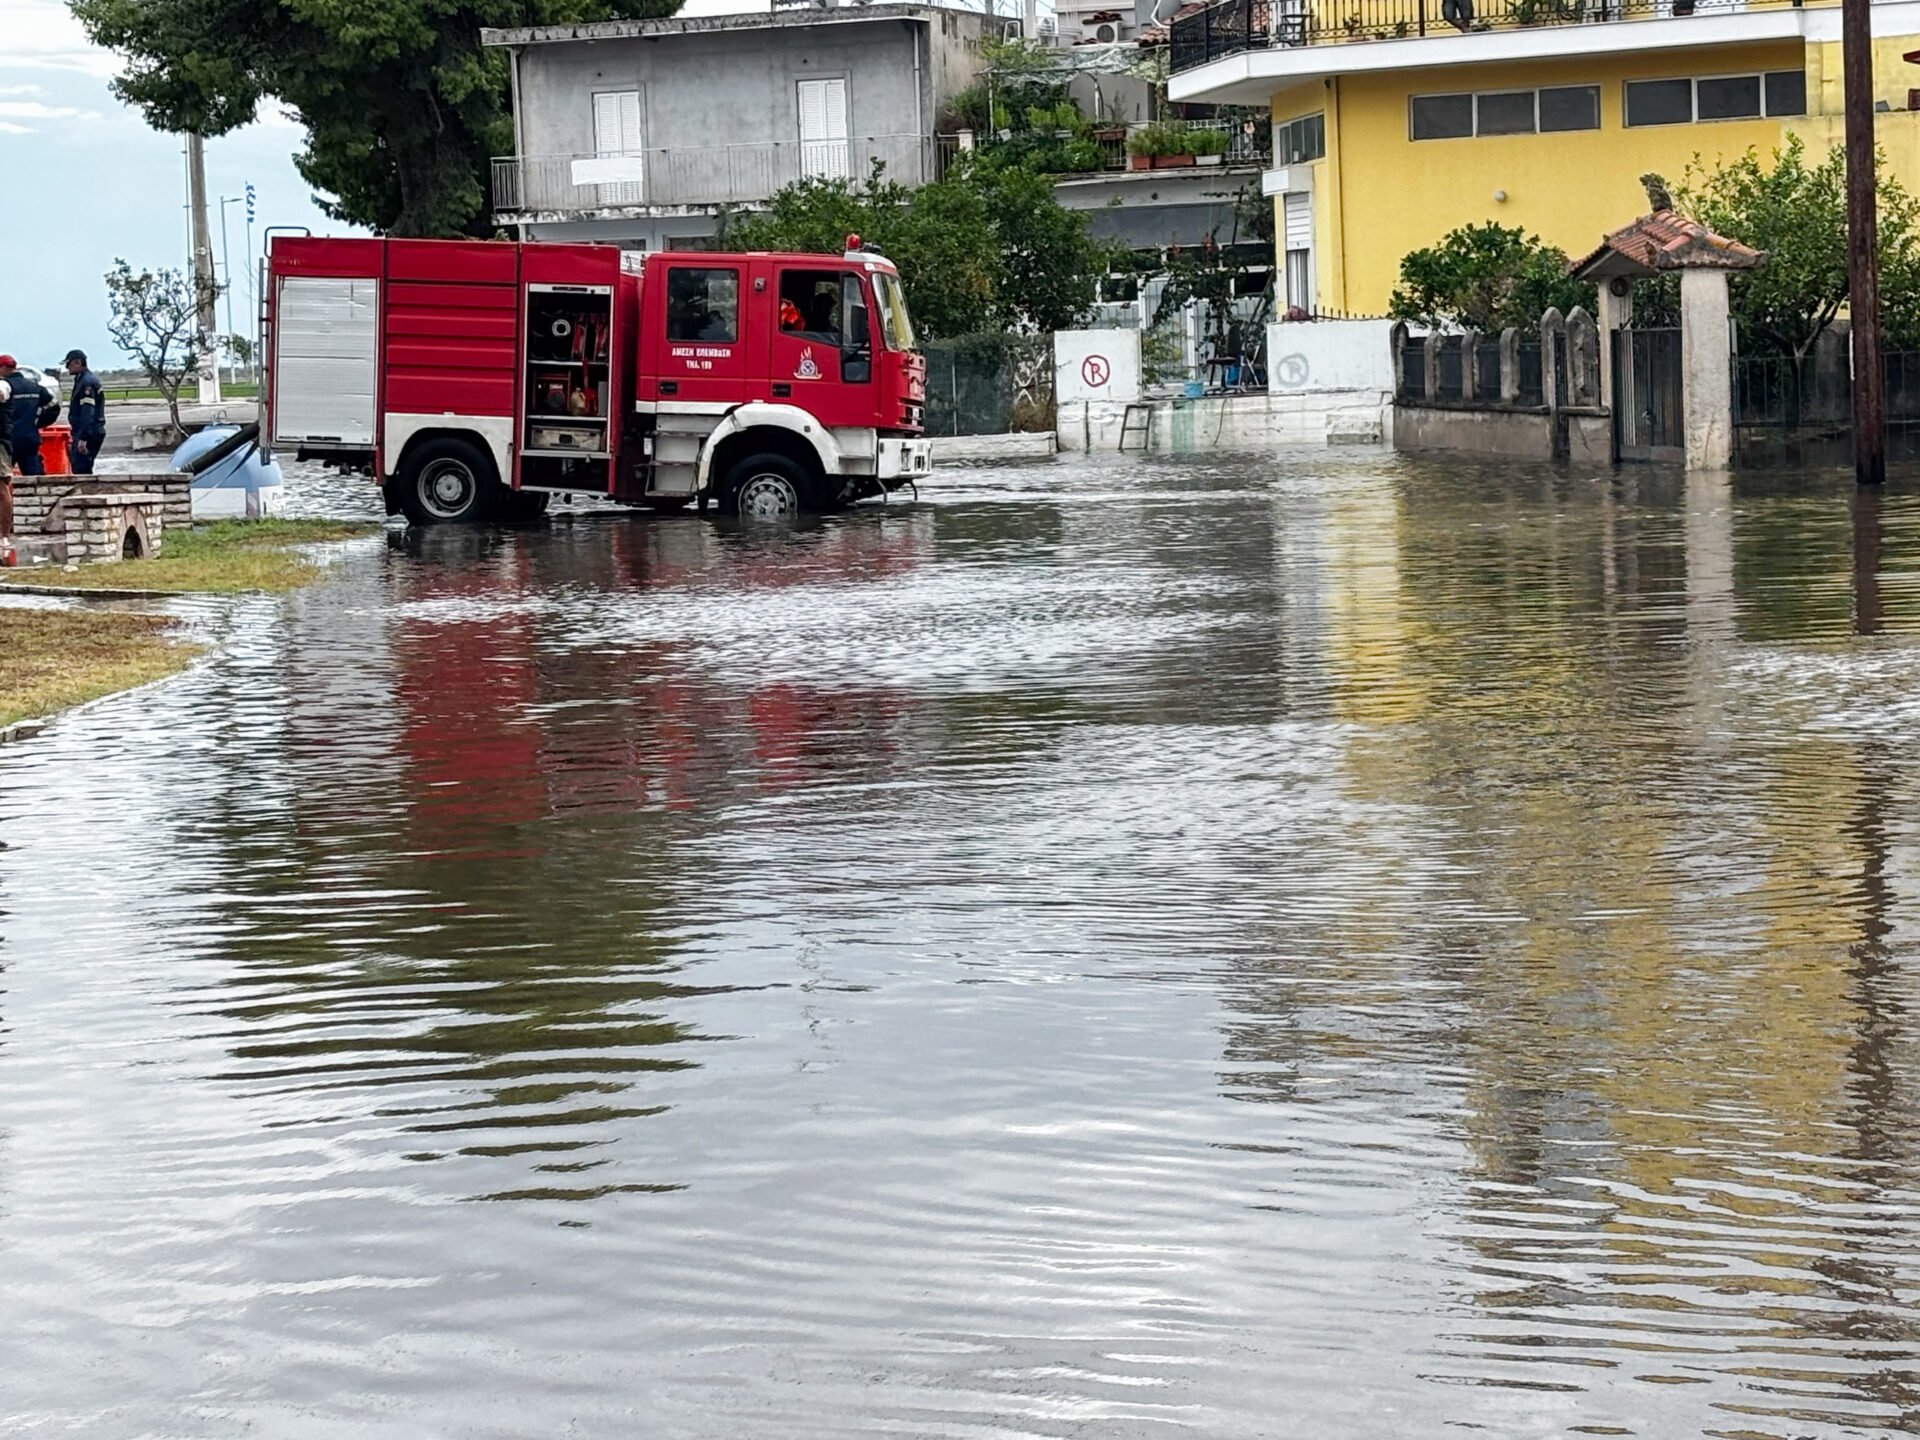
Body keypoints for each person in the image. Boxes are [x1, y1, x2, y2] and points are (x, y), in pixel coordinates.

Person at [0, 357, 52, 477]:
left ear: (3, 368)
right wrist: (39, 423)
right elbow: (52, 405)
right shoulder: (34, 386)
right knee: (35, 476)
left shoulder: (5, 387)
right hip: (30, 437)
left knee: (4, 477)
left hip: (9, 438)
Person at [61, 349, 105, 474]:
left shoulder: (87, 383)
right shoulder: (82, 380)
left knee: (81, 470)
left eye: (68, 364)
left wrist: (83, 438)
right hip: (85, 431)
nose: (66, 367)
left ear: (78, 363)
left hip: (88, 432)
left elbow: (88, 412)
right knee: (80, 467)